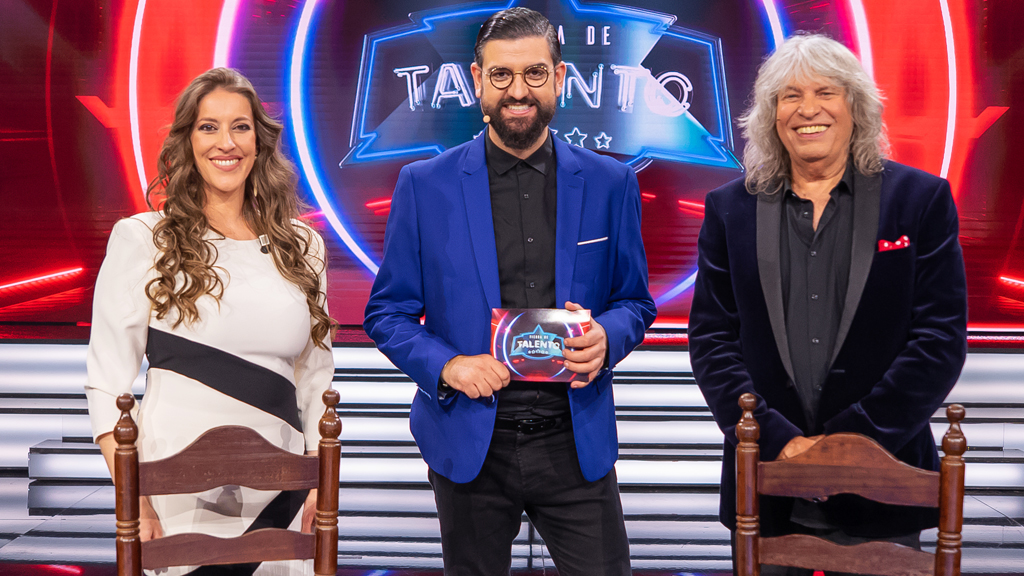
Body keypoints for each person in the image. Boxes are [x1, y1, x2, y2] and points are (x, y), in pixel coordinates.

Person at [363, 7, 656, 575]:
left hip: (575, 441)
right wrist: (449, 366)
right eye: (501, 75)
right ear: (477, 80)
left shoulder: (610, 182)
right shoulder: (424, 185)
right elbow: (388, 312)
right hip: (471, 441)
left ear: (560, 77)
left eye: (534, 73)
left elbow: (635, 302)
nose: (517, 91)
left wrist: (606, 337)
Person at [688, 33, 968, 574]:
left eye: (825, 93)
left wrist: (850, 444)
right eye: (790, 96)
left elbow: (939, 341)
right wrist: (781, 442)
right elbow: (712, 341)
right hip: (766, 483)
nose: (807, 109)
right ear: (771, 116)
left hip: (885, 479)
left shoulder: (921, 200)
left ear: (855, 106)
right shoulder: (729, 208)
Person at [85, 68, 334, 576]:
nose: (227, 142)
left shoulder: (302, 246)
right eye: (208, 127)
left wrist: (319, 484)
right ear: (187, 141)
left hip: (282, 490)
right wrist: (134, 500)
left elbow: (315, 377)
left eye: (241, 127)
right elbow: (106, 382)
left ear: (259, 142)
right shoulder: (143, 239)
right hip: (174, 490)